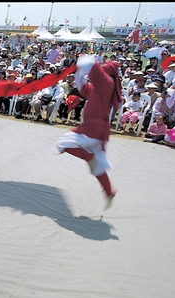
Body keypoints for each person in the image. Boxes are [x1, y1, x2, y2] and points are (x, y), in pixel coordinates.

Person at [57, 55, 121, 209]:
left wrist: (82, 60)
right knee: (98, 166)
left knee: (62, 143)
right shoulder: (100, 87)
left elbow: (89, 64)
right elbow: (82, 87)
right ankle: (109, 191)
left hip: (93, 128)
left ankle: (88, 156)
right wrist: (79, 71)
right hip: (99, 130)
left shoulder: (106, 84)